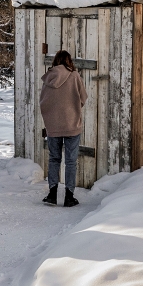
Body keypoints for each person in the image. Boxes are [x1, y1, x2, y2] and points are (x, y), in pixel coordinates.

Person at [39, 49, 87, 208]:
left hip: (54, 126)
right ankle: (69, 197)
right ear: (69, 61)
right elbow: (83, 97)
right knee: (71, 162)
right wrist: (73, 110)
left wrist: (51, 118)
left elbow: (43, 101)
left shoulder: (49, 77)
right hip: (72, 124)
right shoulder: (74, 76)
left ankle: (52, 195)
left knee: (54, 159)